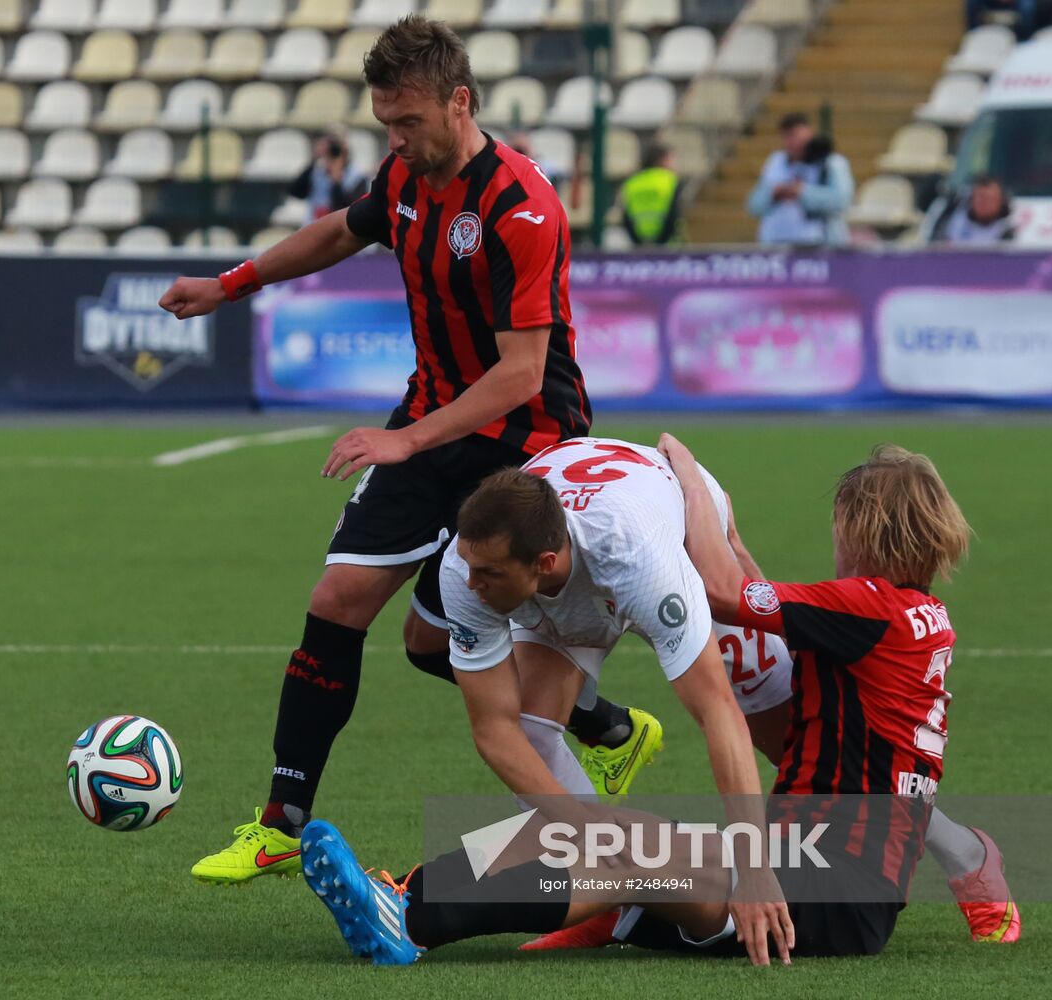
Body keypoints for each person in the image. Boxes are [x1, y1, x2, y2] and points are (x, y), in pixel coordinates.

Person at [157, 15, 653, 885]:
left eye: (408, 121)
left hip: (524, 447)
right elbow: (338, 232)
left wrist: (405, 439)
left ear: (459, 103)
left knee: (430, 644)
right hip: (429, 424)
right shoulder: (403, 178)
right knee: (338, 598)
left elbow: (522, 370)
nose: (395, 137)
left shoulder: (521, 204)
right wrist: (231, 284)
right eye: (386, 122)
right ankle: (282, 819)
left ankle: (605, 726)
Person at [298, 439, 985, 966]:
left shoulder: (869, 606)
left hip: (834, 887)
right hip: (820, 861)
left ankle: (411, 918)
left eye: (842, 525)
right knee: (613, 841)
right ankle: (404, 896)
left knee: (625, 851)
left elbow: (726, 596)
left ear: (865, 532)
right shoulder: (909, 615)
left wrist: (687, 477)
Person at [747, 113, 854, 246]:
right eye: (788, 137)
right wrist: (773, 194)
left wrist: (803, 192)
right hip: (777, 245)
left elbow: (842, 200)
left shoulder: (831, 163)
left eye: (797, 136)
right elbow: (754, 206)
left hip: (819, 246)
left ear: (809, 134)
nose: (793, 142)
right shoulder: (776, 162)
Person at [288, 131, 370, 221]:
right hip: (314, 225)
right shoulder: (316, 170)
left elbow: (352, 210)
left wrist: (337, 182)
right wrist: (315, 159)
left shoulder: (357, 176)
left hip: (339, 228)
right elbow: (296, 192)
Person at [620, 144, 682, 247]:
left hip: (639, 245)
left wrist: (640, 242)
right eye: (671, 160)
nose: (674, 164)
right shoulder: (671, 180)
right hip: (667, 246)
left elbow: (626, 219)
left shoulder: (632, 182)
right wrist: (660, 242)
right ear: (662, 160)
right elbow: (674, 215)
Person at [939, 175, 1015, 244]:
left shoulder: (1010, 230)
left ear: (1001, 202)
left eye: (989, 199)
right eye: (980, 198)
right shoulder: (953, 223)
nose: (984, 203)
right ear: (971, 200)